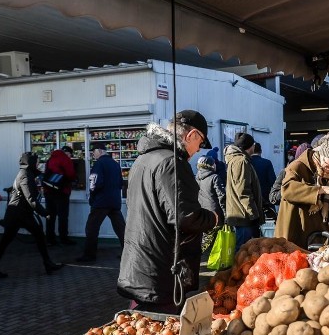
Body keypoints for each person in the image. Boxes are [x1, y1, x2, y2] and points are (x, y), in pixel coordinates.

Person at [117, 110, 218, 313]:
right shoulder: (172, 163)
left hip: (140, 265)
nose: (198, 151)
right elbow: (185, 217)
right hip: (161, 271)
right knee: (162, 333)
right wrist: (213, 218)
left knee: (143, 323)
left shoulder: (143, 160)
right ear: (192, 135)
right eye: (200, 143)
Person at [0, 152, 64, 279]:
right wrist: (45, 213)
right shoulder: (25, 176)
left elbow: (36, 178)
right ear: (31, 163)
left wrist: (45, 175)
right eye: (36, 161)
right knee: (37, 235)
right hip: (19, 213)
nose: (38, 164)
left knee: (7, 241)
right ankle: (48, 263)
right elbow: (31, 199)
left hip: (18, 213)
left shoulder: (26, 173)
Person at [275, 132, 329, 247]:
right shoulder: (298, 166)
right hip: (297, 230)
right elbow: (287, 189)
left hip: (321, 235)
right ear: (322, 153)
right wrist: (321, 189)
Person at [76, 146, 126, 262]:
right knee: (121, 229)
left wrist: (92, 197)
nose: (93, 155)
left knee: (92, 228)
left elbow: (95, 183)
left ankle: (89, 255)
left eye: (93, 152)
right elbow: (120, 183)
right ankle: (128, 253)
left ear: (99, 151)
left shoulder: (99, 164)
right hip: (114, 201)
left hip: (101, 202)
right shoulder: (115, 164)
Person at [225, 132, 265, 249]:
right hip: (243, 216)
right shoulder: (241, 161)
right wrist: (253, 213)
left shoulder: (237, 160)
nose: (254, 147)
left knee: (244, 249)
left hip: (240, 213)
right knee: (243, 251)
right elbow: (242, 190)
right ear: (250, 146)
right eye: (253, 144)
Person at [43, 146, 77, 245]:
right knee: (63, 216)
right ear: (68, 153)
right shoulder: (66, 160)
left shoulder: (50, 159)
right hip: (62, 192)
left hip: (49, 191)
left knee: (50, 216)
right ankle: (63, 238)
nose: (70, 156)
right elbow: (71, 174)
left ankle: (50, 239)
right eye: (70, 154)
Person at [196, 155, 226, 251]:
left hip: (202, 213)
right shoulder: (214, 177)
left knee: (205, 239)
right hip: (215, 213)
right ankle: (214, 261)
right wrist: (226, 213)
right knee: (217, 242)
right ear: (211, 166)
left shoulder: (196, 178)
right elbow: (222, 196)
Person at [270, 142, 308, 207]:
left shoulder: (317, 174)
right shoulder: (286, 171)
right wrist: (289, 190)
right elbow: (273, 197)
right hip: (290, 213)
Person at [249, 142, 277, 212]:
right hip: (265, 198)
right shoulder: (267, 163)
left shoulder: (247, 162)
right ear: (261, 151)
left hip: (251, 198)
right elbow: (273, 182)